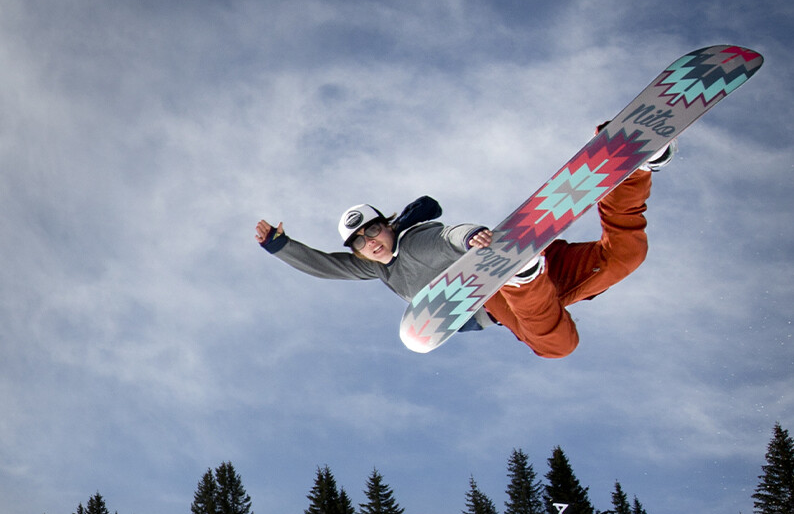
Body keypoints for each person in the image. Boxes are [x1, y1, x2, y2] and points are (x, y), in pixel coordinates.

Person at [254, 135, 676, 358]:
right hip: (542, 282)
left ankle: (521, 277)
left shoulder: (414, 240)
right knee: (626, 255)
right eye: (361, 243)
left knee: (558, 345)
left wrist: (475, 236)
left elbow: (449, 236)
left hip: (503, 299)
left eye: (374, 230)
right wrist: (280, 245)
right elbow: (327, 266)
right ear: (359, 254)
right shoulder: (375, 268)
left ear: (388, 224)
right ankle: (636, 170)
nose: (372, 243)